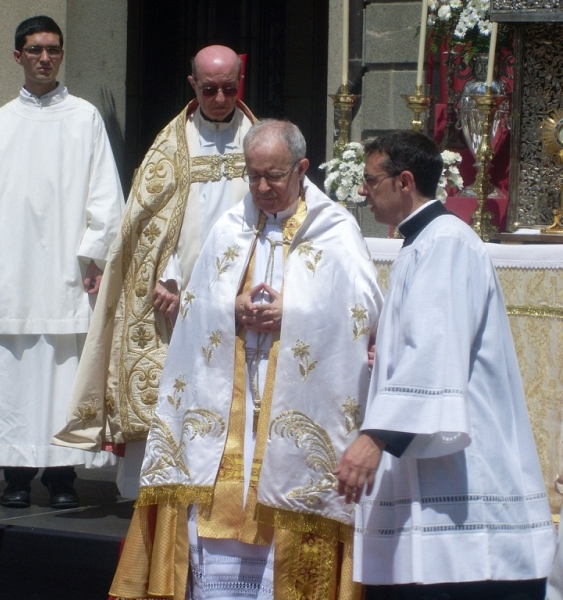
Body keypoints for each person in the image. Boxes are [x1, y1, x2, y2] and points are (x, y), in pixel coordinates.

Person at [107, 119, 383, 600]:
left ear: (301, 169)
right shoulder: (233, 223)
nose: (261, 187)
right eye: (253, 175)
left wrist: (291, 315)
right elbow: (196, 300)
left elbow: (363, 311)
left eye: (274, 176)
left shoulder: (335, 227)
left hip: (292, 411)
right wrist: (228, 308)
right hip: (230, 409)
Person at [335, 130, 556, 599]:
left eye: (371, 181)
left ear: (405, 181)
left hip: (468, 476)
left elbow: (435, 352)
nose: (363, 192)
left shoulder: (446, 243)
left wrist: (375, 438)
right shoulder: (424, 242)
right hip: (430, 466)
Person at [52, 45, 256, 499]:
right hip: (177, 297)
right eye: (209, 89)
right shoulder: (171, 145)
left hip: (244, 292)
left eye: (229, 88)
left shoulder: (260, 141)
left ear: (240, 81)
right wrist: (166, 276)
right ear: (192, 86)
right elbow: (146, 225)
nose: (220, 98)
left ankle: (231, 492)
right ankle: (158, 490)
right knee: (174, 388)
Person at [0, 15, 125, 509]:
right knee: (11, 378)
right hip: (9, 272)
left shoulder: (84, 118)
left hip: (62, 273)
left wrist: (94, 253)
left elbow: (105, 195)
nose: (44, 58)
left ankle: (60, 479)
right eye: (34, 50)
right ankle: (14, 476)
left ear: (61, 54)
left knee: (60, 377)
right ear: (18, 56)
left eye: (52, 49)